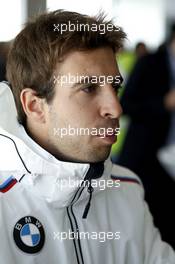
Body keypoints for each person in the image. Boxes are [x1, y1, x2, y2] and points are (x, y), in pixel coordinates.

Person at [0, 10, 174, 264]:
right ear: (35, 106)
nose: (115, 108)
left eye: (114, 87)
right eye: (88, 88)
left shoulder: (126, 188)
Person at [118, 25, 175, 248]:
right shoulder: (150, 62)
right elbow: (126, 105)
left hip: (171, 161)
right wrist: (164, 103)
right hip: (146, 161)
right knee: (146, 227)